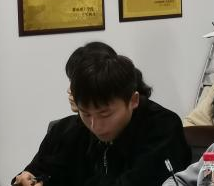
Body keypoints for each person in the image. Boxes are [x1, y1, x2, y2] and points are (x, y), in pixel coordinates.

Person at [12, 51, 190, 186]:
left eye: (105, 114)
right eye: (85, 113)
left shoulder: (162, 127)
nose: (95, 125)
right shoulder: (71, 129)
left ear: (133, 100)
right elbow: (44, 168)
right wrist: (29, 178)